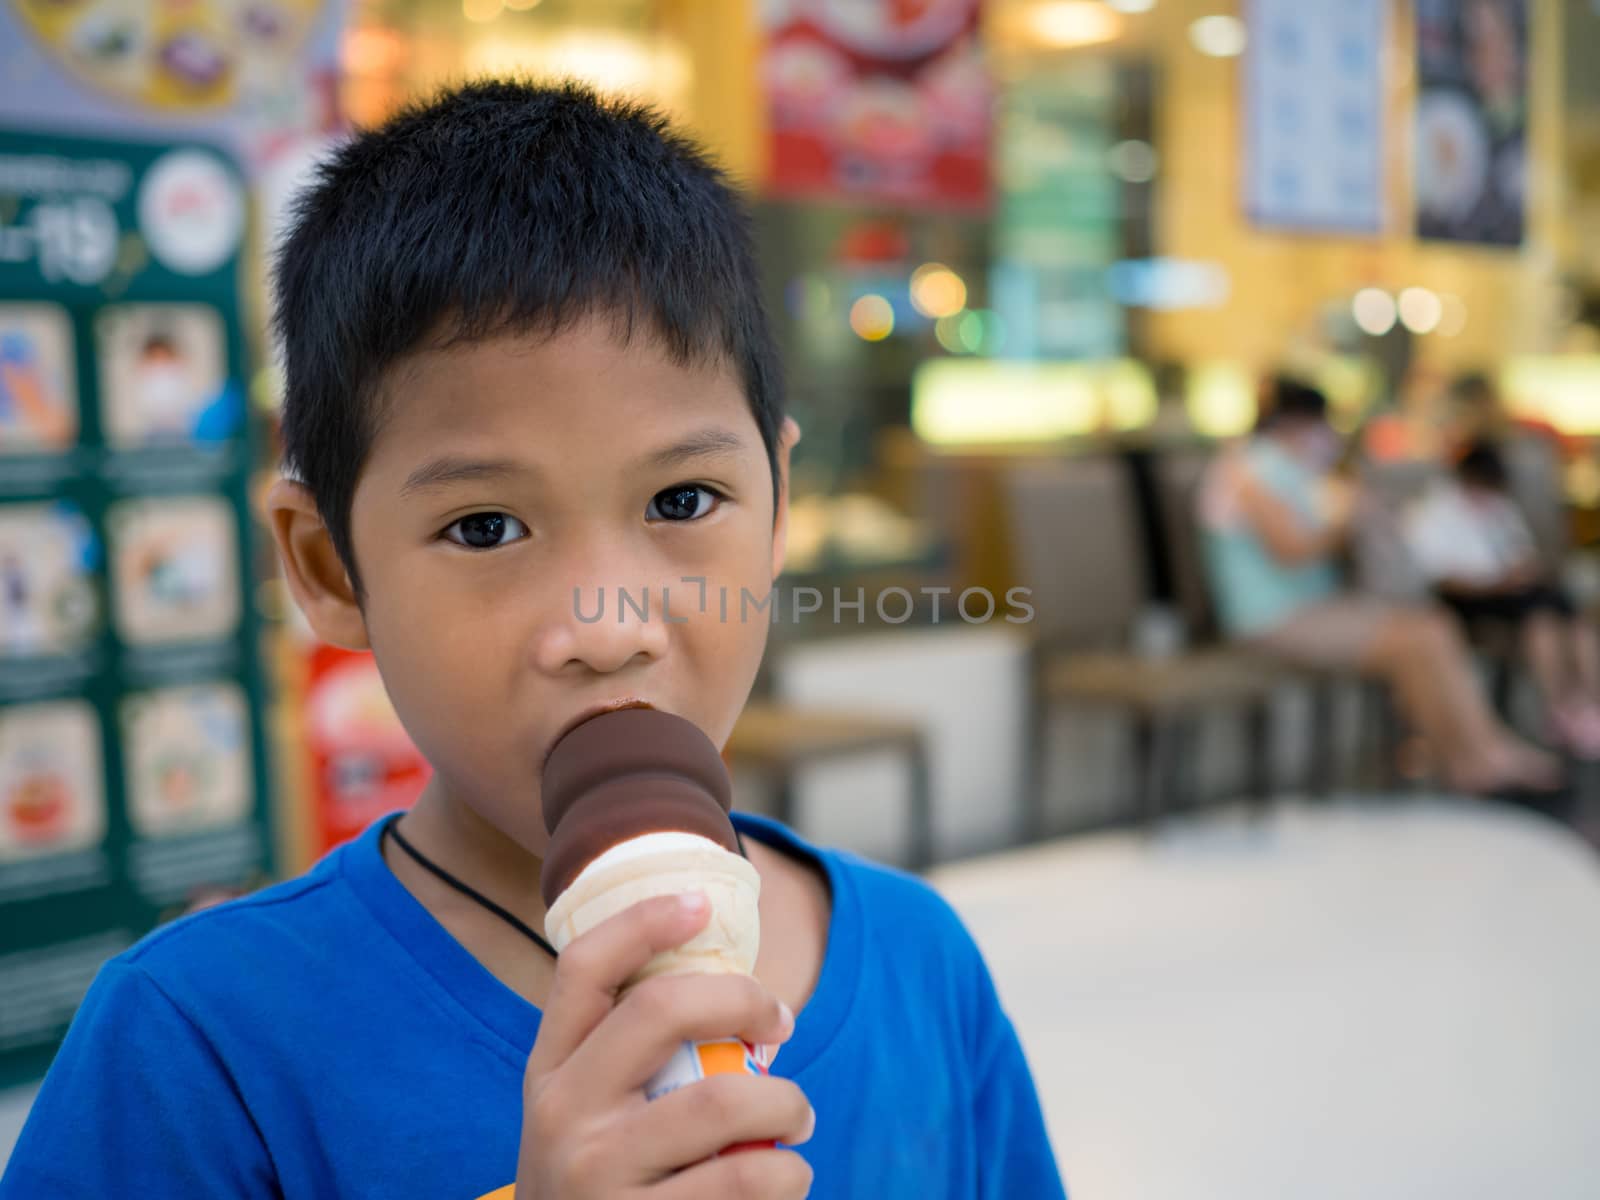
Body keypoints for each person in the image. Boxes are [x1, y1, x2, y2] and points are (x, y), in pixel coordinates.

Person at [0, 82, 1064, 1200]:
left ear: (780, 506)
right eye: (484, 526)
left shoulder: (918, 961)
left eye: (684, 501)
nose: (606, 630)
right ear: (327, 568)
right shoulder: (199, 1044)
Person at [1201, 376, 1561, 795]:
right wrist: (1347, 518)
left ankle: (1473, 755)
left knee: (1431, 629)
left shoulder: (1292, 471)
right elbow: (1290, 549)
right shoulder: (1246, 470)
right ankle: (1477, 758)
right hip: (1271, 621)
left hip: (1316, 609)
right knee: (1421, 635)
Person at [1406, 440, 1600, 758]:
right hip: (1469, 600)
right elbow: (1441, 576)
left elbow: (1521, 554)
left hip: (1514, 597)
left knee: (1564, 616)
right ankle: (1560, 709)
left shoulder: (1500, 507)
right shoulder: (1436, 511)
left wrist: (1520, 574)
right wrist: (1495, 584)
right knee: (1541, 617)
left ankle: (1581, 705)